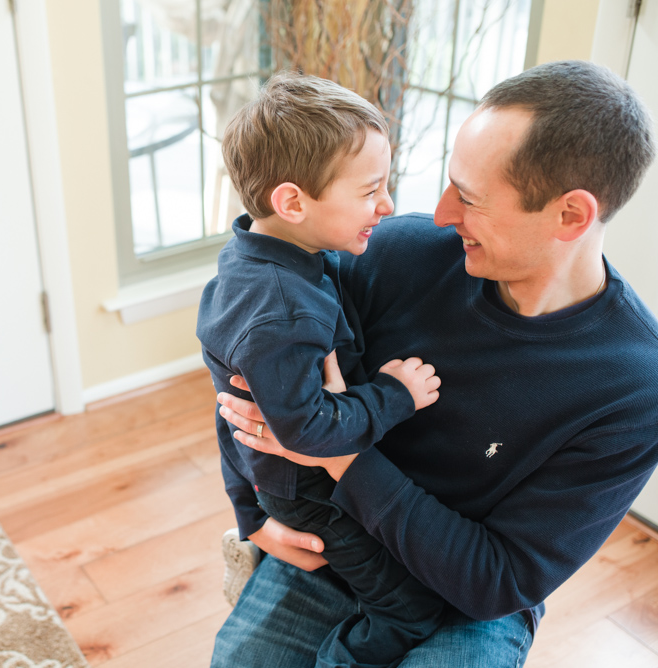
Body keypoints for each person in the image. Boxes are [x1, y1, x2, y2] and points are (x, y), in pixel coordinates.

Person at [210, 60, 658, 667]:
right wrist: (250, 512)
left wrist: (338, 454)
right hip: (337, 541)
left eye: (469, 198)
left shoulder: (634, 386)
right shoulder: (397, 255)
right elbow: (244, 363)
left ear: (571, 215)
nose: (440, 213)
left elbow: (497, 581)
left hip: (463, 599)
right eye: (450, 184)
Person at [197, 71, 445, 668]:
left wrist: (246, 509)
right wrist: (395, 394)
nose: (386, 206)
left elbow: (234, 410)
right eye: (370, 191)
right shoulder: (283, 313)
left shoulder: (259, 258)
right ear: (293, 202)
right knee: (412, 612)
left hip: (286, 488)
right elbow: (302, 434)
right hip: (318, 502)